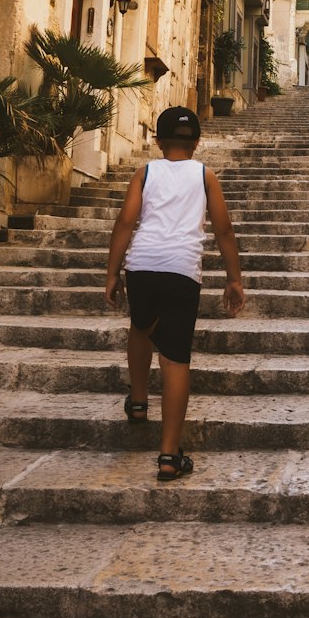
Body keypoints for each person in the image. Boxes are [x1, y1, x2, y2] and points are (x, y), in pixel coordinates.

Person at [104, 105, 245, 482]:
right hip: (182, 269)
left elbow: (125, 221)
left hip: (143, 266)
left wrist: (112, 273)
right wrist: (234, 279)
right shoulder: (205, 176)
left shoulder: (145, 172)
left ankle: (137, 401)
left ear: (157, 141)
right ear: (197, 143)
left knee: (141, 326)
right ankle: (169, 455)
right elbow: (224, 230)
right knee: (176, 357)